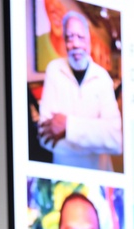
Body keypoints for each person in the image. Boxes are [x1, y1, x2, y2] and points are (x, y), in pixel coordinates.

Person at [37, 10, 122, 171]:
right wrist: (95, 137)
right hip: (64, 174)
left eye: (80, 37)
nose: (75, 44)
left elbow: (115, 140)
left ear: (88, 41)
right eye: (69, 37)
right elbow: (45, 137)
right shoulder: (54, 70)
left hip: (99, 173)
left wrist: (68, 126)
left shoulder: (102, 77)